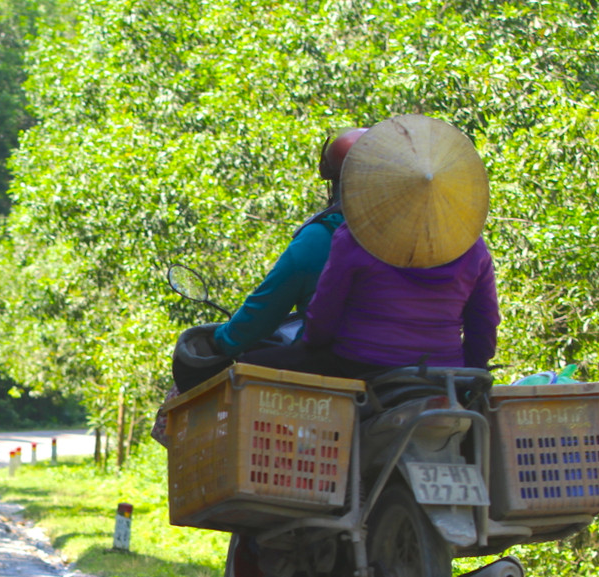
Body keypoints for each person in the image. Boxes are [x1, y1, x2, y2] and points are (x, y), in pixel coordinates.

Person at [239, 114, 499, 378]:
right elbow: (484, 328)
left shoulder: (353, 237)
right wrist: (470, 368)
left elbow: (323, 318)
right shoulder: (473, 247)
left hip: (359, 366)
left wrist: (312, 345)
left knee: (249, 363)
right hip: (444, 373)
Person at [171, 127, 368, 393]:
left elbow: (265, 313)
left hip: (347, 363)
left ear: (335, 183)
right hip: (431, 365)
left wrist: (221, 341)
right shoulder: (432, 241)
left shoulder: (328, 237)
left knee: (249, 367)